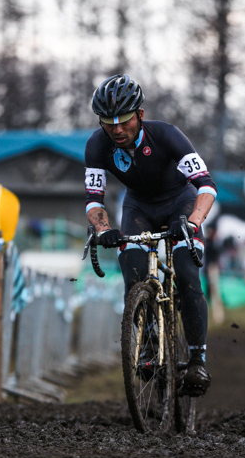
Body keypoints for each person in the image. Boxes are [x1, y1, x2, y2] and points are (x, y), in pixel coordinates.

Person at [84, 74, 217, 396]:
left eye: (124, 121)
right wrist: (103, 229)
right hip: (138, 208)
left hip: (181, 204)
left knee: (186, 273)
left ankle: (197, 359)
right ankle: (147, 344)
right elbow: (93, 200)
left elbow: (207, 186)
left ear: (140, 115)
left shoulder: (167, 135)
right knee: (133, 272)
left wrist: (194, 222)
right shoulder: (96, 145)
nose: (116, 129)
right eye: (107, 122)